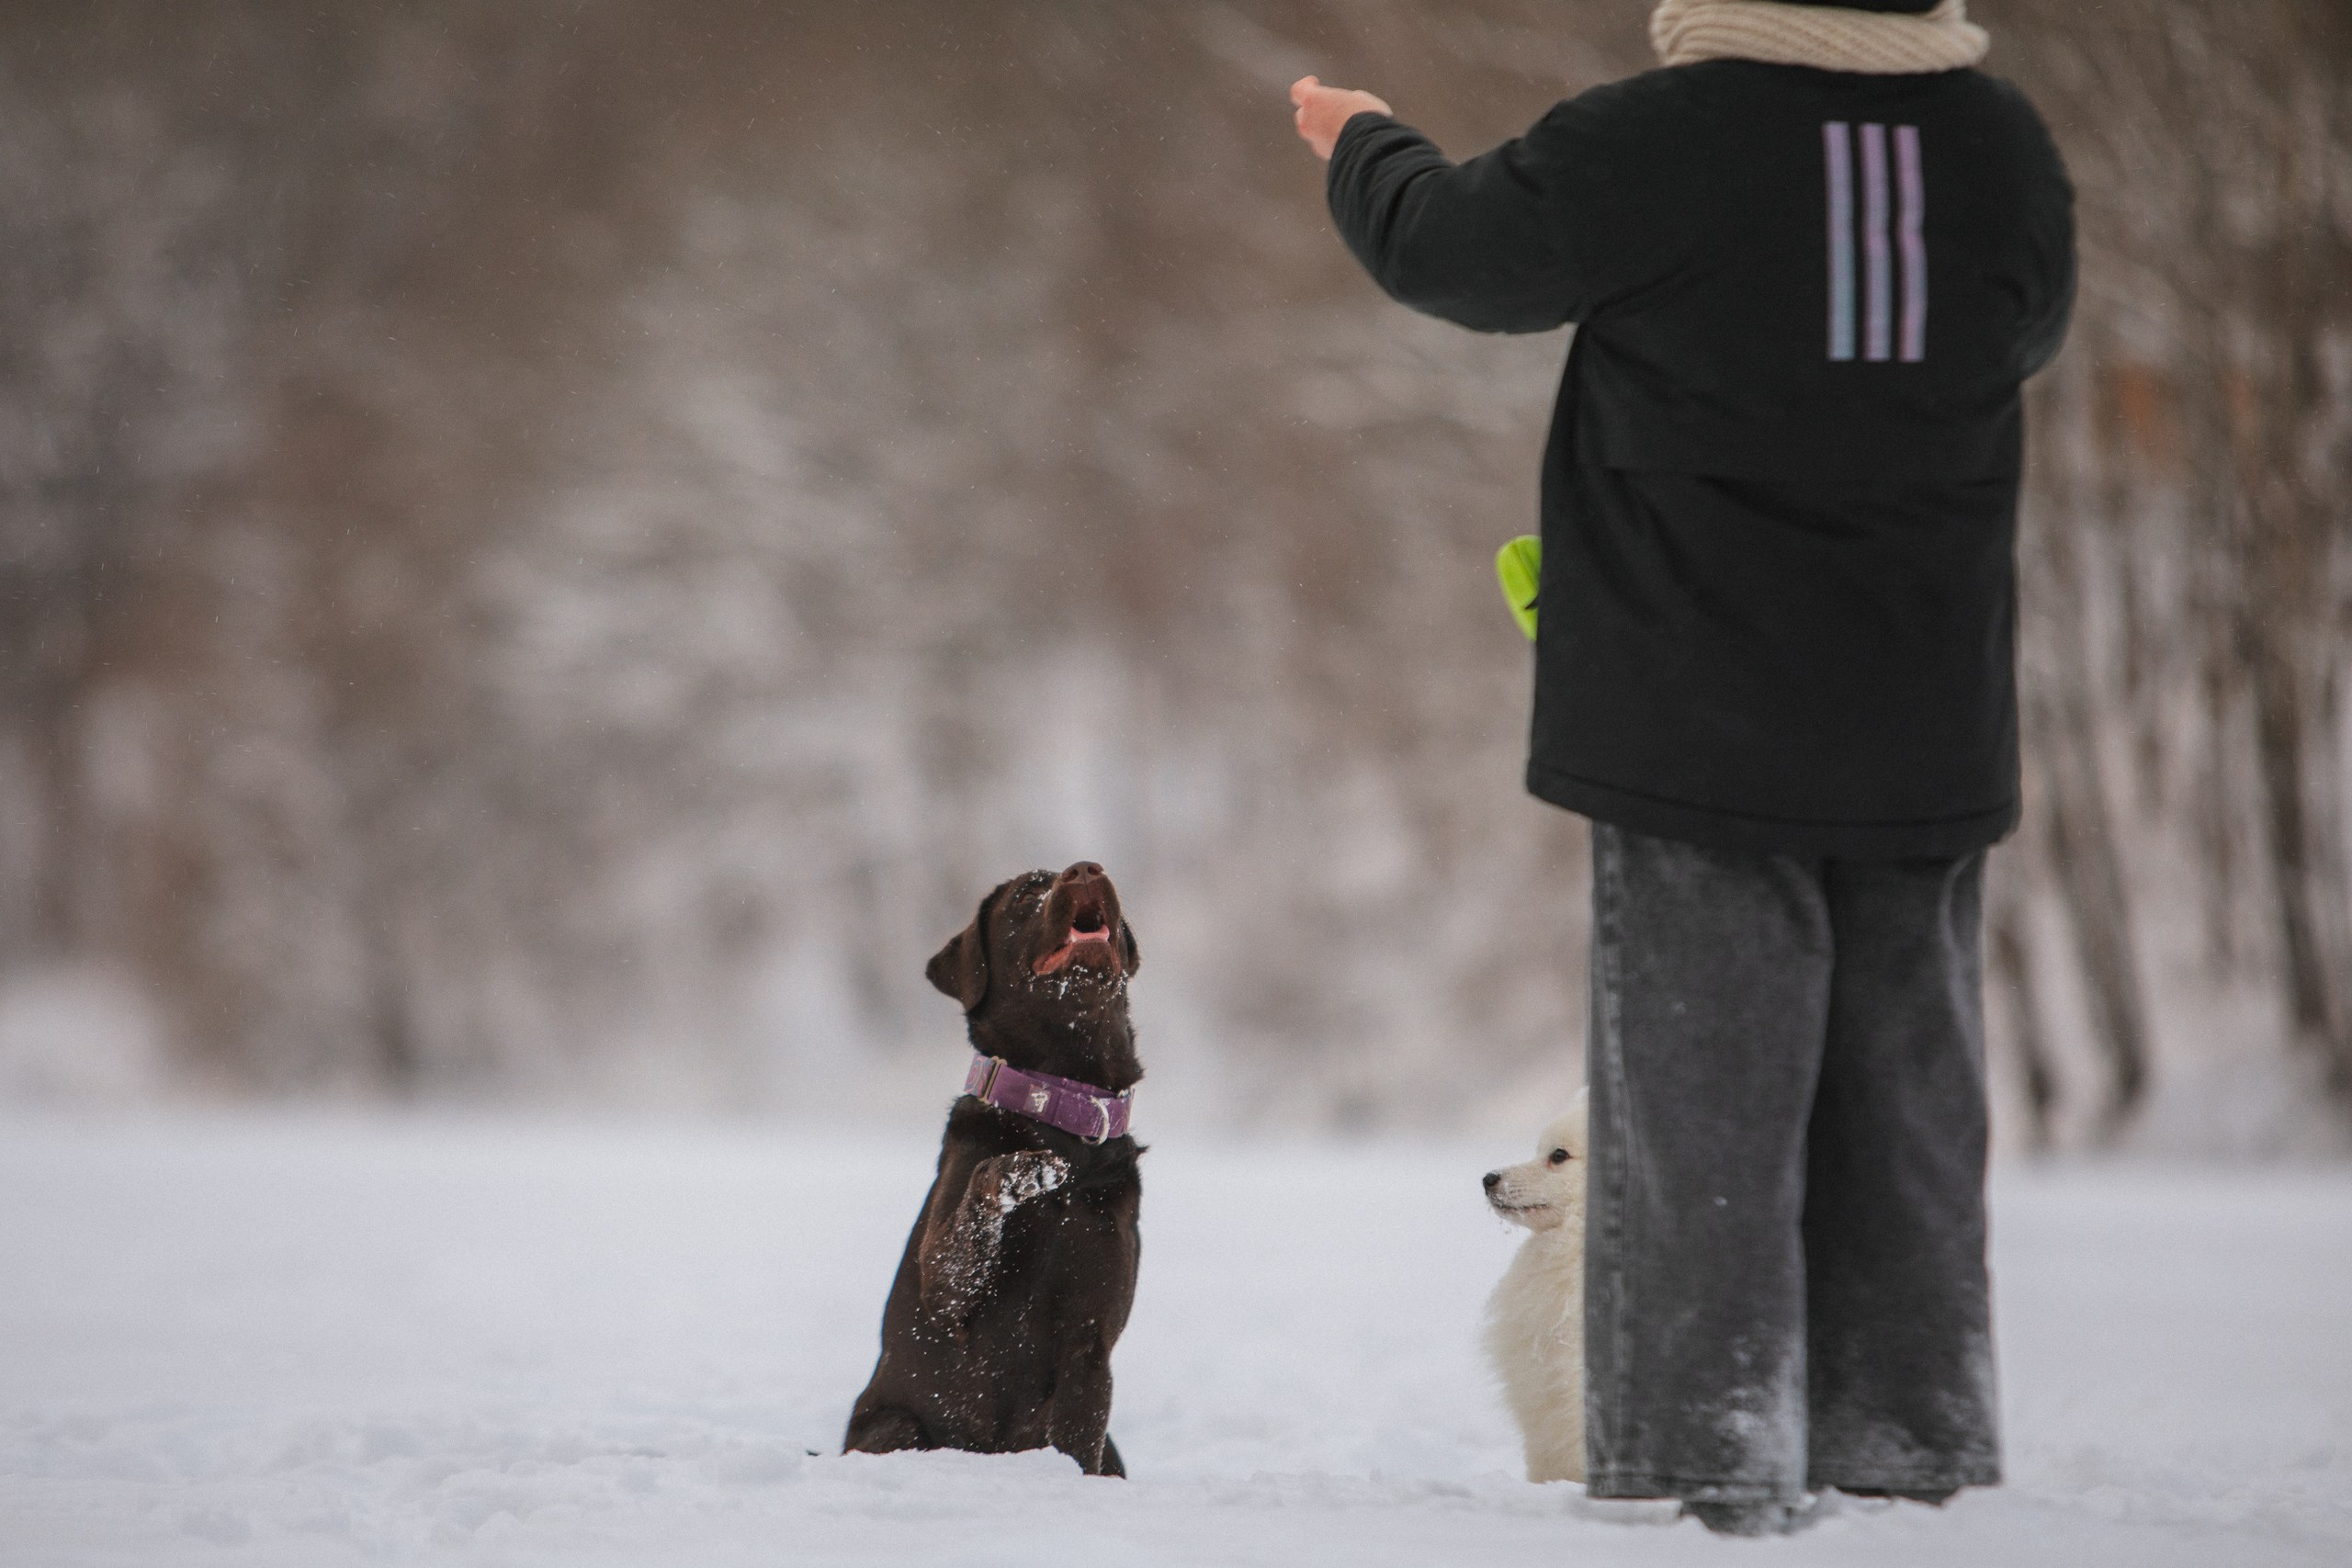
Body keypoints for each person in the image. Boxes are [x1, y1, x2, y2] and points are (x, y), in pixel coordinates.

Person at [1288, 0, 2075, 1538]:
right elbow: (2029, 325)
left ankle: (1721, 1447)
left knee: (1703, 1092)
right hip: (1923, 700)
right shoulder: (1999, 144)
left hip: (1695, 709)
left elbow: (1455, 252)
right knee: (1908, 1093)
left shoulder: (1669, 135)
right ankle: (1905, 1447)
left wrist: (1361, 142)